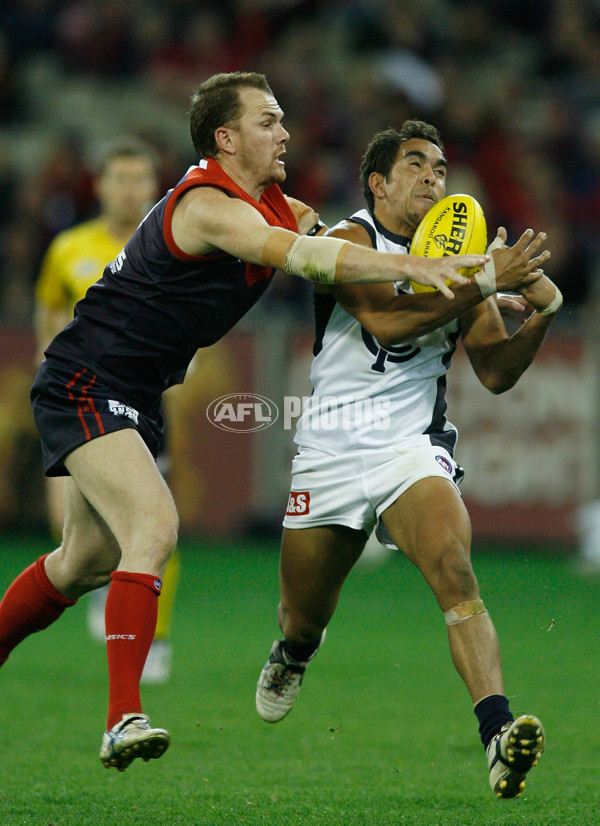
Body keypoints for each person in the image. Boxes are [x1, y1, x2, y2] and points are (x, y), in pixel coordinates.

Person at [0, 73, 486, 773]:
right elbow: (310, 256)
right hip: (88, 378)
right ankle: (121, 719)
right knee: (154, 528)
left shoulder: (276, 206)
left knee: (85, 561)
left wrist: (458, 268)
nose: (285, 133)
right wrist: (421, 265)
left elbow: (342, 254)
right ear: (226, 139)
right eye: (268, 121)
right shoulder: (208, 205)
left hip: (134, 391)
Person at [255, 122, 562, 799]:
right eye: (416, 165)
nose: (433, 177)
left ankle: (498, 736)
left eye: (442, 168)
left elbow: (496, 373)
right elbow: (387, 321)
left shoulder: (463, 259)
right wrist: (482, 280)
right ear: (379, 182)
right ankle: (294, 654)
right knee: (302, 615)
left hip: (410, 446)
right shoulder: (346, 242)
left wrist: (540, 314)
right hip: (330, 450)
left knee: (455, 570)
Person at [34, 135, 179, 684]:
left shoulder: (162, 244)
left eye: (140, 179)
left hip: (141, 397)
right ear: (100, 185)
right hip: (77, 396)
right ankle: (113, 600)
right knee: (79, 538)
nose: (128, 189)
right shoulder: (69, 248)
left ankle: (154, 638)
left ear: (153, 186)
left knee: (155, 520)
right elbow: (47, 316)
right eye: (118, 178)